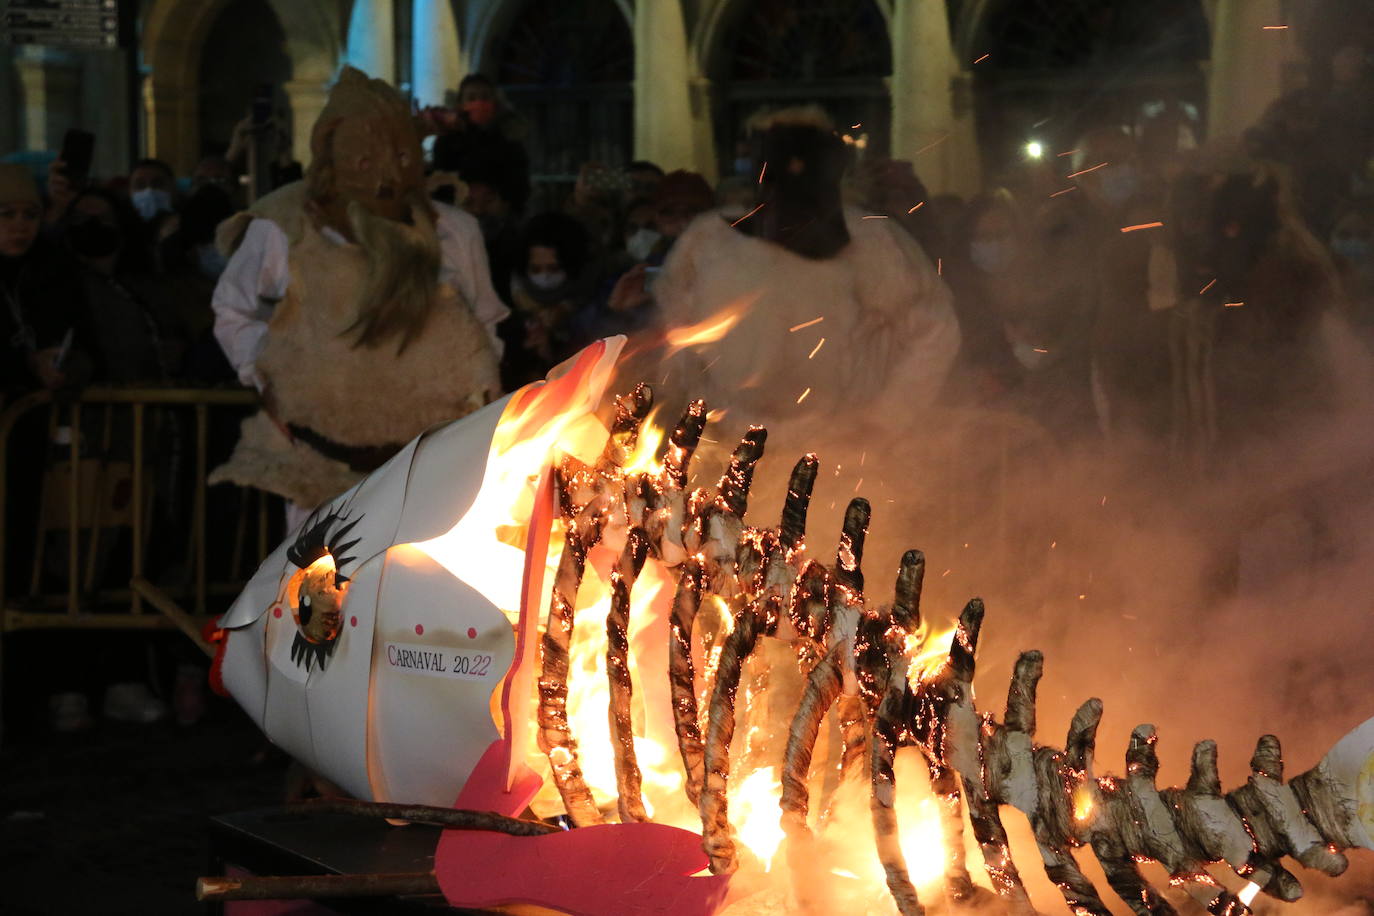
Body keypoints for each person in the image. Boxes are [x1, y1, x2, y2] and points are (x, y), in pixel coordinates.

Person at [210, 66, 505, 515]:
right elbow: (233, 309)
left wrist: (467, 393)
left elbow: (486, 324)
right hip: (323, 463)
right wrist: (266, 373)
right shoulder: (284, 227)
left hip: (432, 463)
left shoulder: (453, 230)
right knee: (323, 580)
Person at [649, 108, 959, 440]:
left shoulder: (874, 241)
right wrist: (684, 411)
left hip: (839, 447)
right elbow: (676, 333)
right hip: (728, 440)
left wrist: (882, 421)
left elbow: (934, 331)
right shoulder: (710, 239)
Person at [0, 163, 90, 395]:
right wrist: (28, 363)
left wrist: (71, 365)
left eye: (30, 215)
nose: (20, 226)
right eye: (7, 214)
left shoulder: (54, 270)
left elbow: (86, 340)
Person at [500, 211, 592, 388]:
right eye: (536, 269)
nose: (545, 277)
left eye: (553, 268)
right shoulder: (502, 310)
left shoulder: (591, 309)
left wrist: (550, 356)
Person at [429, 73, 530, 215]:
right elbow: (440, 181)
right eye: (471, 98)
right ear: (461, 104)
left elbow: (519, 182)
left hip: (498, 217)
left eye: (485, 97)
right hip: (459, 214)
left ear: (495, 102)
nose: (479, 103)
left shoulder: (509, 138)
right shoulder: (448, 141)